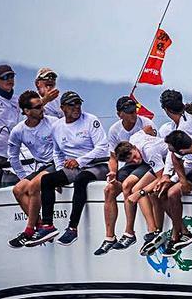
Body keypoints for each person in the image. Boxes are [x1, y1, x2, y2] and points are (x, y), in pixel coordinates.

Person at [26, 91, 110, 246]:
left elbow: (102, 147)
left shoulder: (91, 120)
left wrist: (79, 161)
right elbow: (56, 152)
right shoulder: (57, 126)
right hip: (73, 167)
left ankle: (72, 228)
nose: (76, 107)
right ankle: (47, 226)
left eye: (78, 103)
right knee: (47, 180)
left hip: (97, 164)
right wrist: (59, 169)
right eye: (72, 104)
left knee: (81, 179)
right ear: (63, 108)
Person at [93, 97, 155, 255]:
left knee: (128, 185)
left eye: (134, 110)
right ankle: (109, 237)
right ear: (120, 114)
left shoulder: (146, 123)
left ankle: (129, 232)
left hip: (146, 161)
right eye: (128, 112)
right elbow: (113, 157)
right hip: (130, 163)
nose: (133, 114)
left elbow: (153, 146)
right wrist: (113, 172)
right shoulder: (115, 130)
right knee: (109, 190)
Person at [95, 132, 168, 256]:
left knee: (134, 189)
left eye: (135, 156)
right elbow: (146, 129)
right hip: (154, 161)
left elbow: (161, 178)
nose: (136, 160)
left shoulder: (149, 151)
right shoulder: (134, 138)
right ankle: (114, 236)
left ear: (134, 148)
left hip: (166, 162)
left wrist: (141, 192)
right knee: (117, 189)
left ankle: (144, 231)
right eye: (132, 160)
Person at [6, 90, 59, 247]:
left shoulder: (53, 122)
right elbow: (13, 156)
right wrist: (23, 176)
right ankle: (40, 226)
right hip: (42, 166)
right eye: (37, 107)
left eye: (42, 105)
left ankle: (30, 230)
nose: (42, 109)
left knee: (32, 186)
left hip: (56, 163)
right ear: (26, 111)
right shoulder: (18, 131)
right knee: (18, 190)